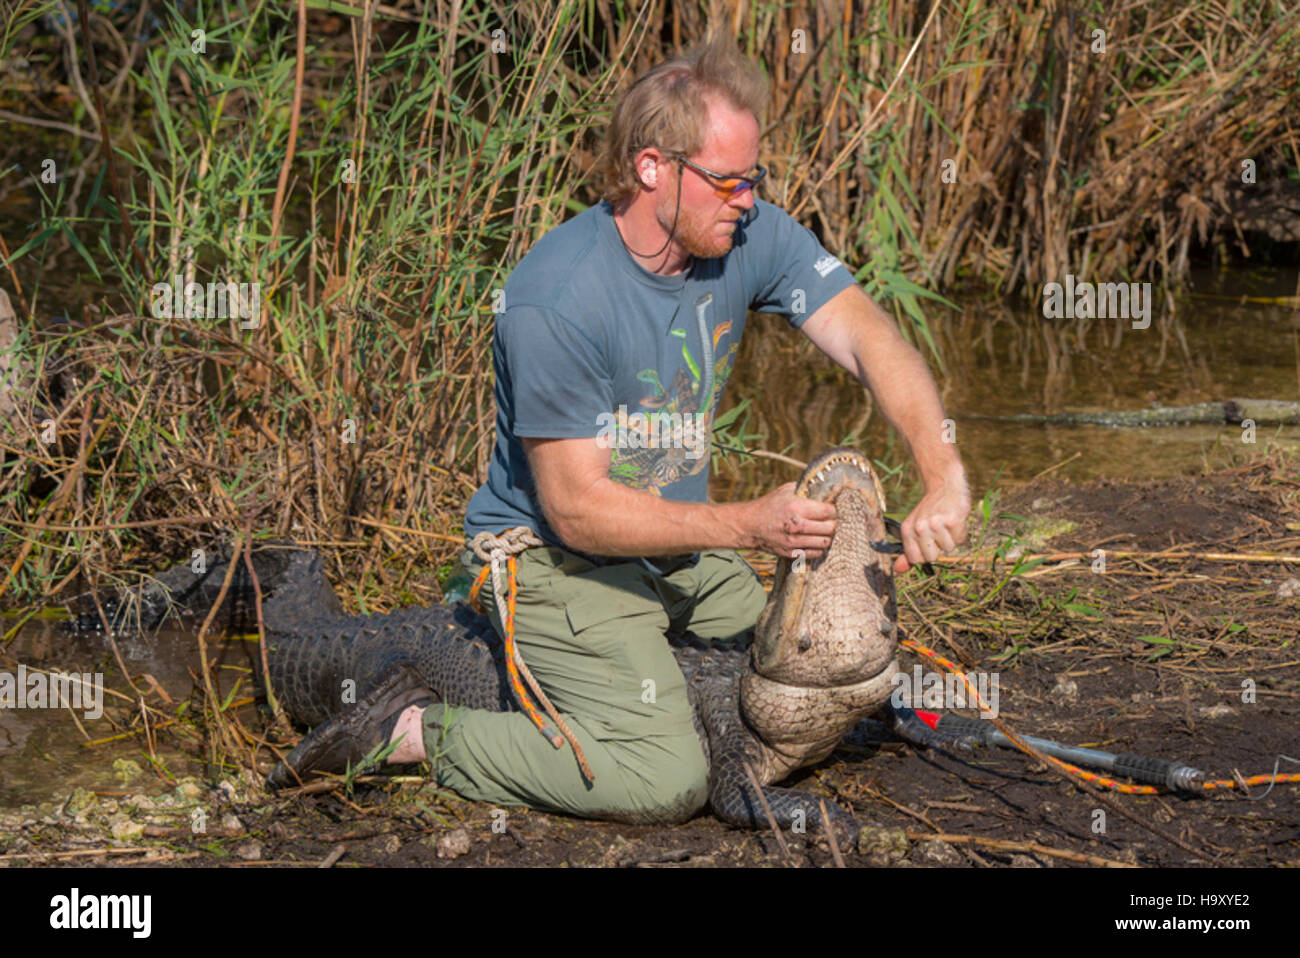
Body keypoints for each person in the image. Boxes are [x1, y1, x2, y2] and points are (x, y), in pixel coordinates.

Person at [278, 35, 970, 823]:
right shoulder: (557, 297)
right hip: (554, 561)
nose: (748, 199)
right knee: (664, 781)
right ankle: (414, 732)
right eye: (728, 181)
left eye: (755, 178)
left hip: (672, 549)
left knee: (826, 676)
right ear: (652, 168)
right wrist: (748, 524)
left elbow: (869, 336)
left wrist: (941, 472)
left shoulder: (748, 233)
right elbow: (577, 509)